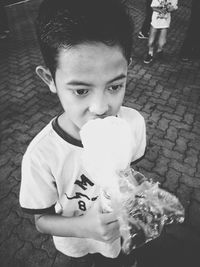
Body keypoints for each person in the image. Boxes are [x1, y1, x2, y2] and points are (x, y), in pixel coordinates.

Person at [19, 0, 146, 266]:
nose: (101, 108)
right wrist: (84, 228)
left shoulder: (132, 124)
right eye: (80, 90)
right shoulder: (42, 154)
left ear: (127, 70)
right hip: (76, 247)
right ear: (49, 79)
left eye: (115, 86)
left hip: (121, 239)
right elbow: (41, 221)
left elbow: (128, 173)